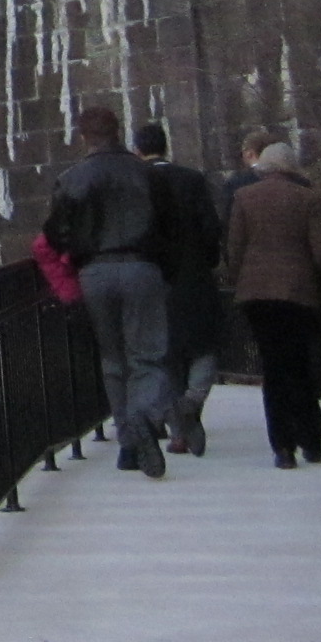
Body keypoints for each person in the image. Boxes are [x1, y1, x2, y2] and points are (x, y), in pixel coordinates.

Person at [44, 105, 172, 478]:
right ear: (119, 131)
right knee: (147, 355)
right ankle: (145, 417)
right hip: (142, 265)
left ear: (84, 136)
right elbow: (170, 227)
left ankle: (128, 442)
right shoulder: (146, 174)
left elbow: (54, 233)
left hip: (95, 270)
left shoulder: (72, 178)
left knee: (112, 358)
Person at [223, 141, 321, 468]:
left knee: (273, 367)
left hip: (257, 296)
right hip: (299, 292)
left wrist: (237, 281)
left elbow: (235, 248)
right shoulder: (307, 199)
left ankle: (282, 448)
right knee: (300, 364)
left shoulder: (244, 198)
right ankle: (311, 440)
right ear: (291, 168)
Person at [135, 122, 224, 455]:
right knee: (203, 346)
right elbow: (211, 227)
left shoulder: (137, 183)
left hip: (153, 279)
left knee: (165, 354)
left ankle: (177, 430)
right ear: (166, 146)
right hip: (193, 274)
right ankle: (191, 405)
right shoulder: (192, 179)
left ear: (138, 150)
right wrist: (207, 260)